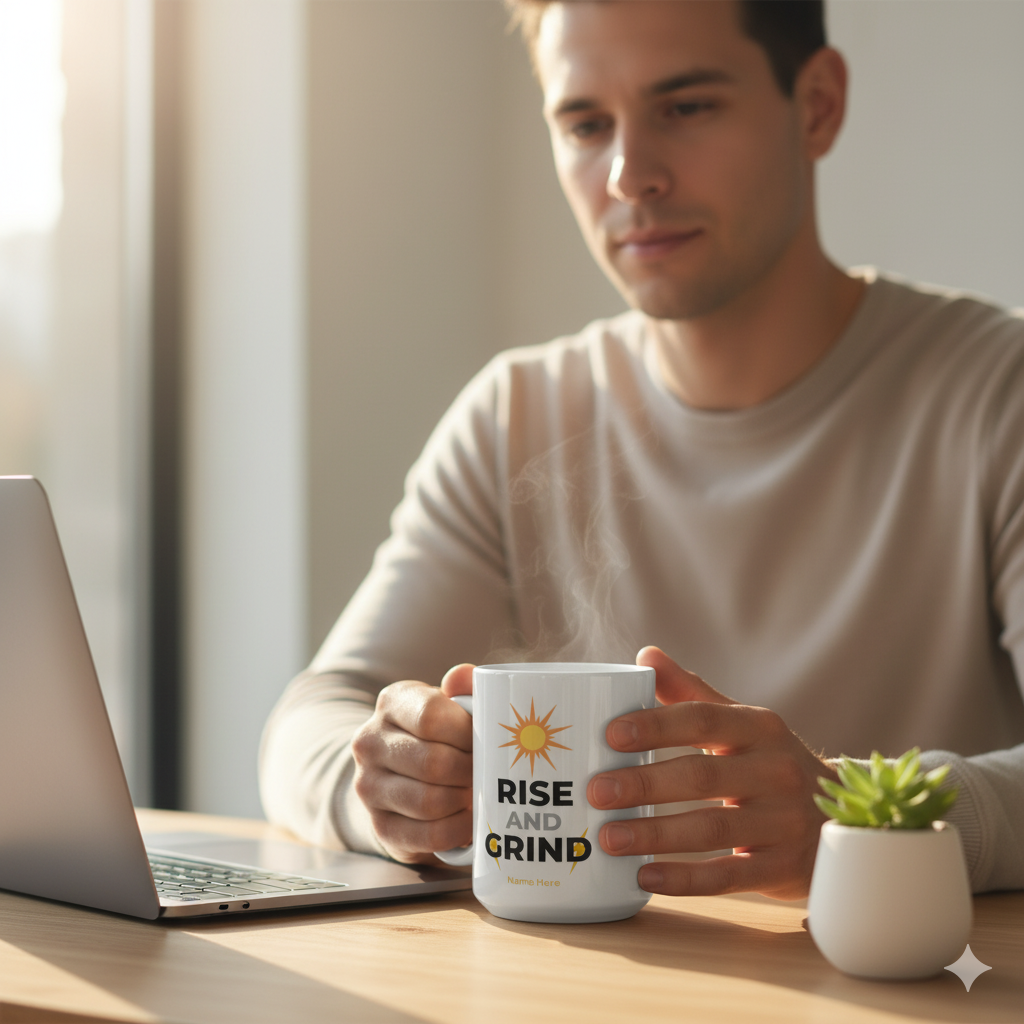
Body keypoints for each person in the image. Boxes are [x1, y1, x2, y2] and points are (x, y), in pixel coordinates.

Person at [259, 0, 1024, 899]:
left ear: (816, 105)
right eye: (585, 124)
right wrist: (386, 792)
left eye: (687, 107)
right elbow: (312, 719)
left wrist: (861, 817)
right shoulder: (519, 415)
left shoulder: (995, 394)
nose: (628, 175)